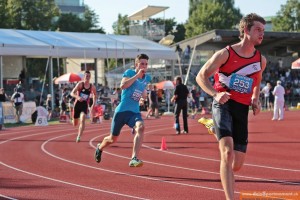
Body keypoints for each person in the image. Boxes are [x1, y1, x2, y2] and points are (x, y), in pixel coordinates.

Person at [196, 13, 266, 200]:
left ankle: (213, 127)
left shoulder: (260, 60)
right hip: (223, 105)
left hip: (241, 110)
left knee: (236, 165)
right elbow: (200, 76)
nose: (262, 34)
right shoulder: (226, 53)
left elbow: (257, 81)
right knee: (226, 153)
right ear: (246, 30)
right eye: (258, 30)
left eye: (263, 31)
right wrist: (215, 94)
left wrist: (255, 99)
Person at [94, 54, 151, 167]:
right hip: (121, 111)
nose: (144, 66)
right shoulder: (130, 73)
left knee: (141, 127)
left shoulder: (147, 78)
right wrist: (137, 76)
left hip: (134, 112)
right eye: (142, 64)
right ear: (136, 64)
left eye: (146, 64)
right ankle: (100, 148)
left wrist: (144, 96)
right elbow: (123, 86)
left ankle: (134, 158)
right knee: (112, 139)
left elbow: (142, 92)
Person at [70, 71, 97, 143]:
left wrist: (93, 104)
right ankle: (73, 119)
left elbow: (95, 95)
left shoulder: (92, 86)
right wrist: (77, 97)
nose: (87, 77)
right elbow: (72, 93)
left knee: (82, 119)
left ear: (90, 77)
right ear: (84, 77)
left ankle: (79, 136)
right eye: (86, 76)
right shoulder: (80, 84)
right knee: (75, 124)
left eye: (89, 76)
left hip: (84, 105)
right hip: (77, 104)